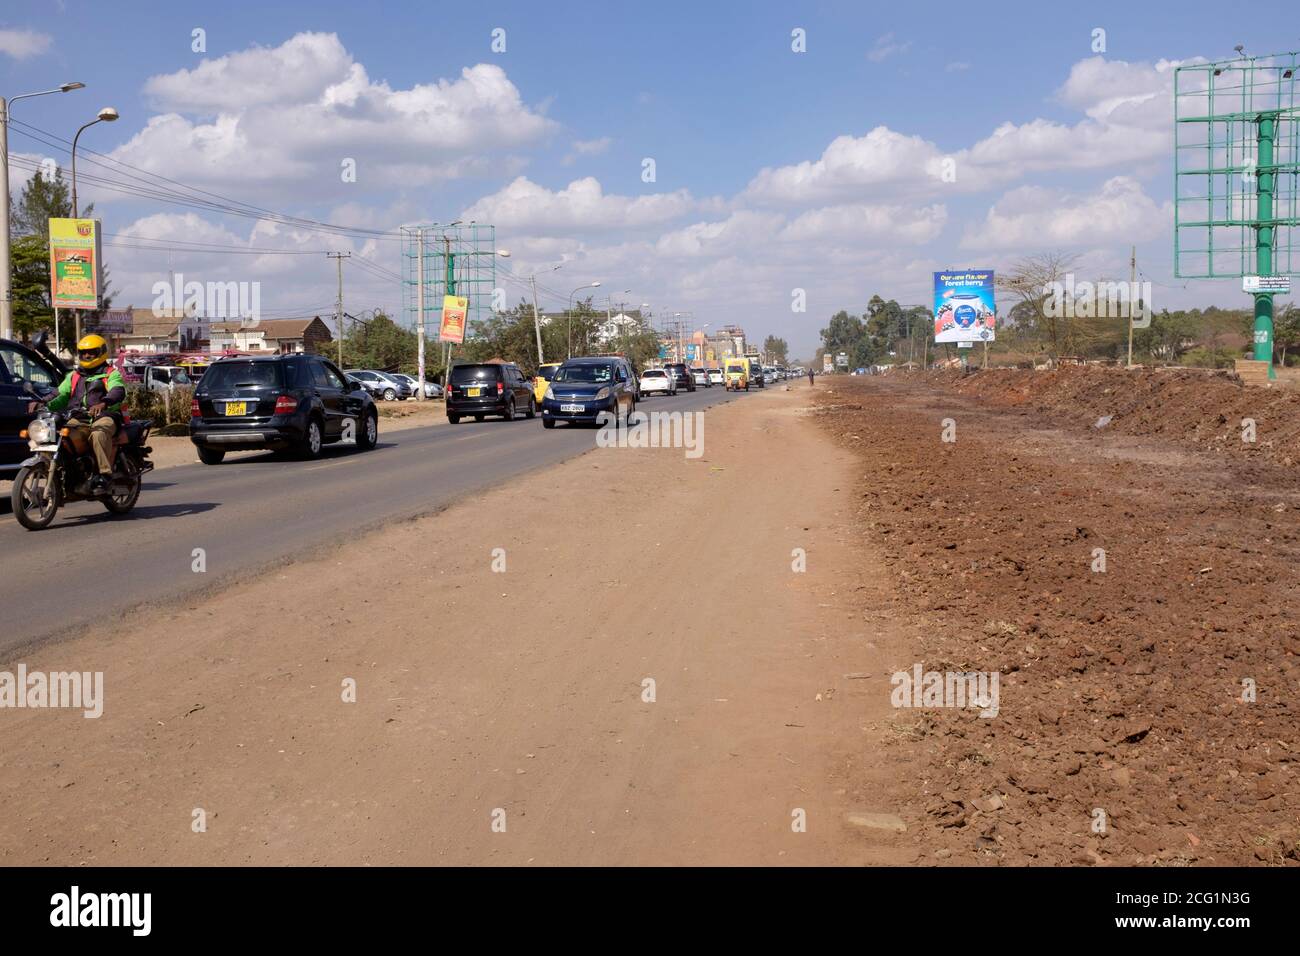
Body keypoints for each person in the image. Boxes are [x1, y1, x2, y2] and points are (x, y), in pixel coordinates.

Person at [28, 334, 126, 494]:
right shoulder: (74, 376)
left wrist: (104, 403)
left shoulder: (111, 374)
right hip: (79, 418)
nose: (86, 356)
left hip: (105, 416)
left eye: (91, 352)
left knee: (98, 434)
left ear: (101, 352)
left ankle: (104, 475)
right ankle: (70, 473)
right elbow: (59, 394)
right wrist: (43, 403)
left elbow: (118, 391)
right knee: (61, 435)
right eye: (83, 353)